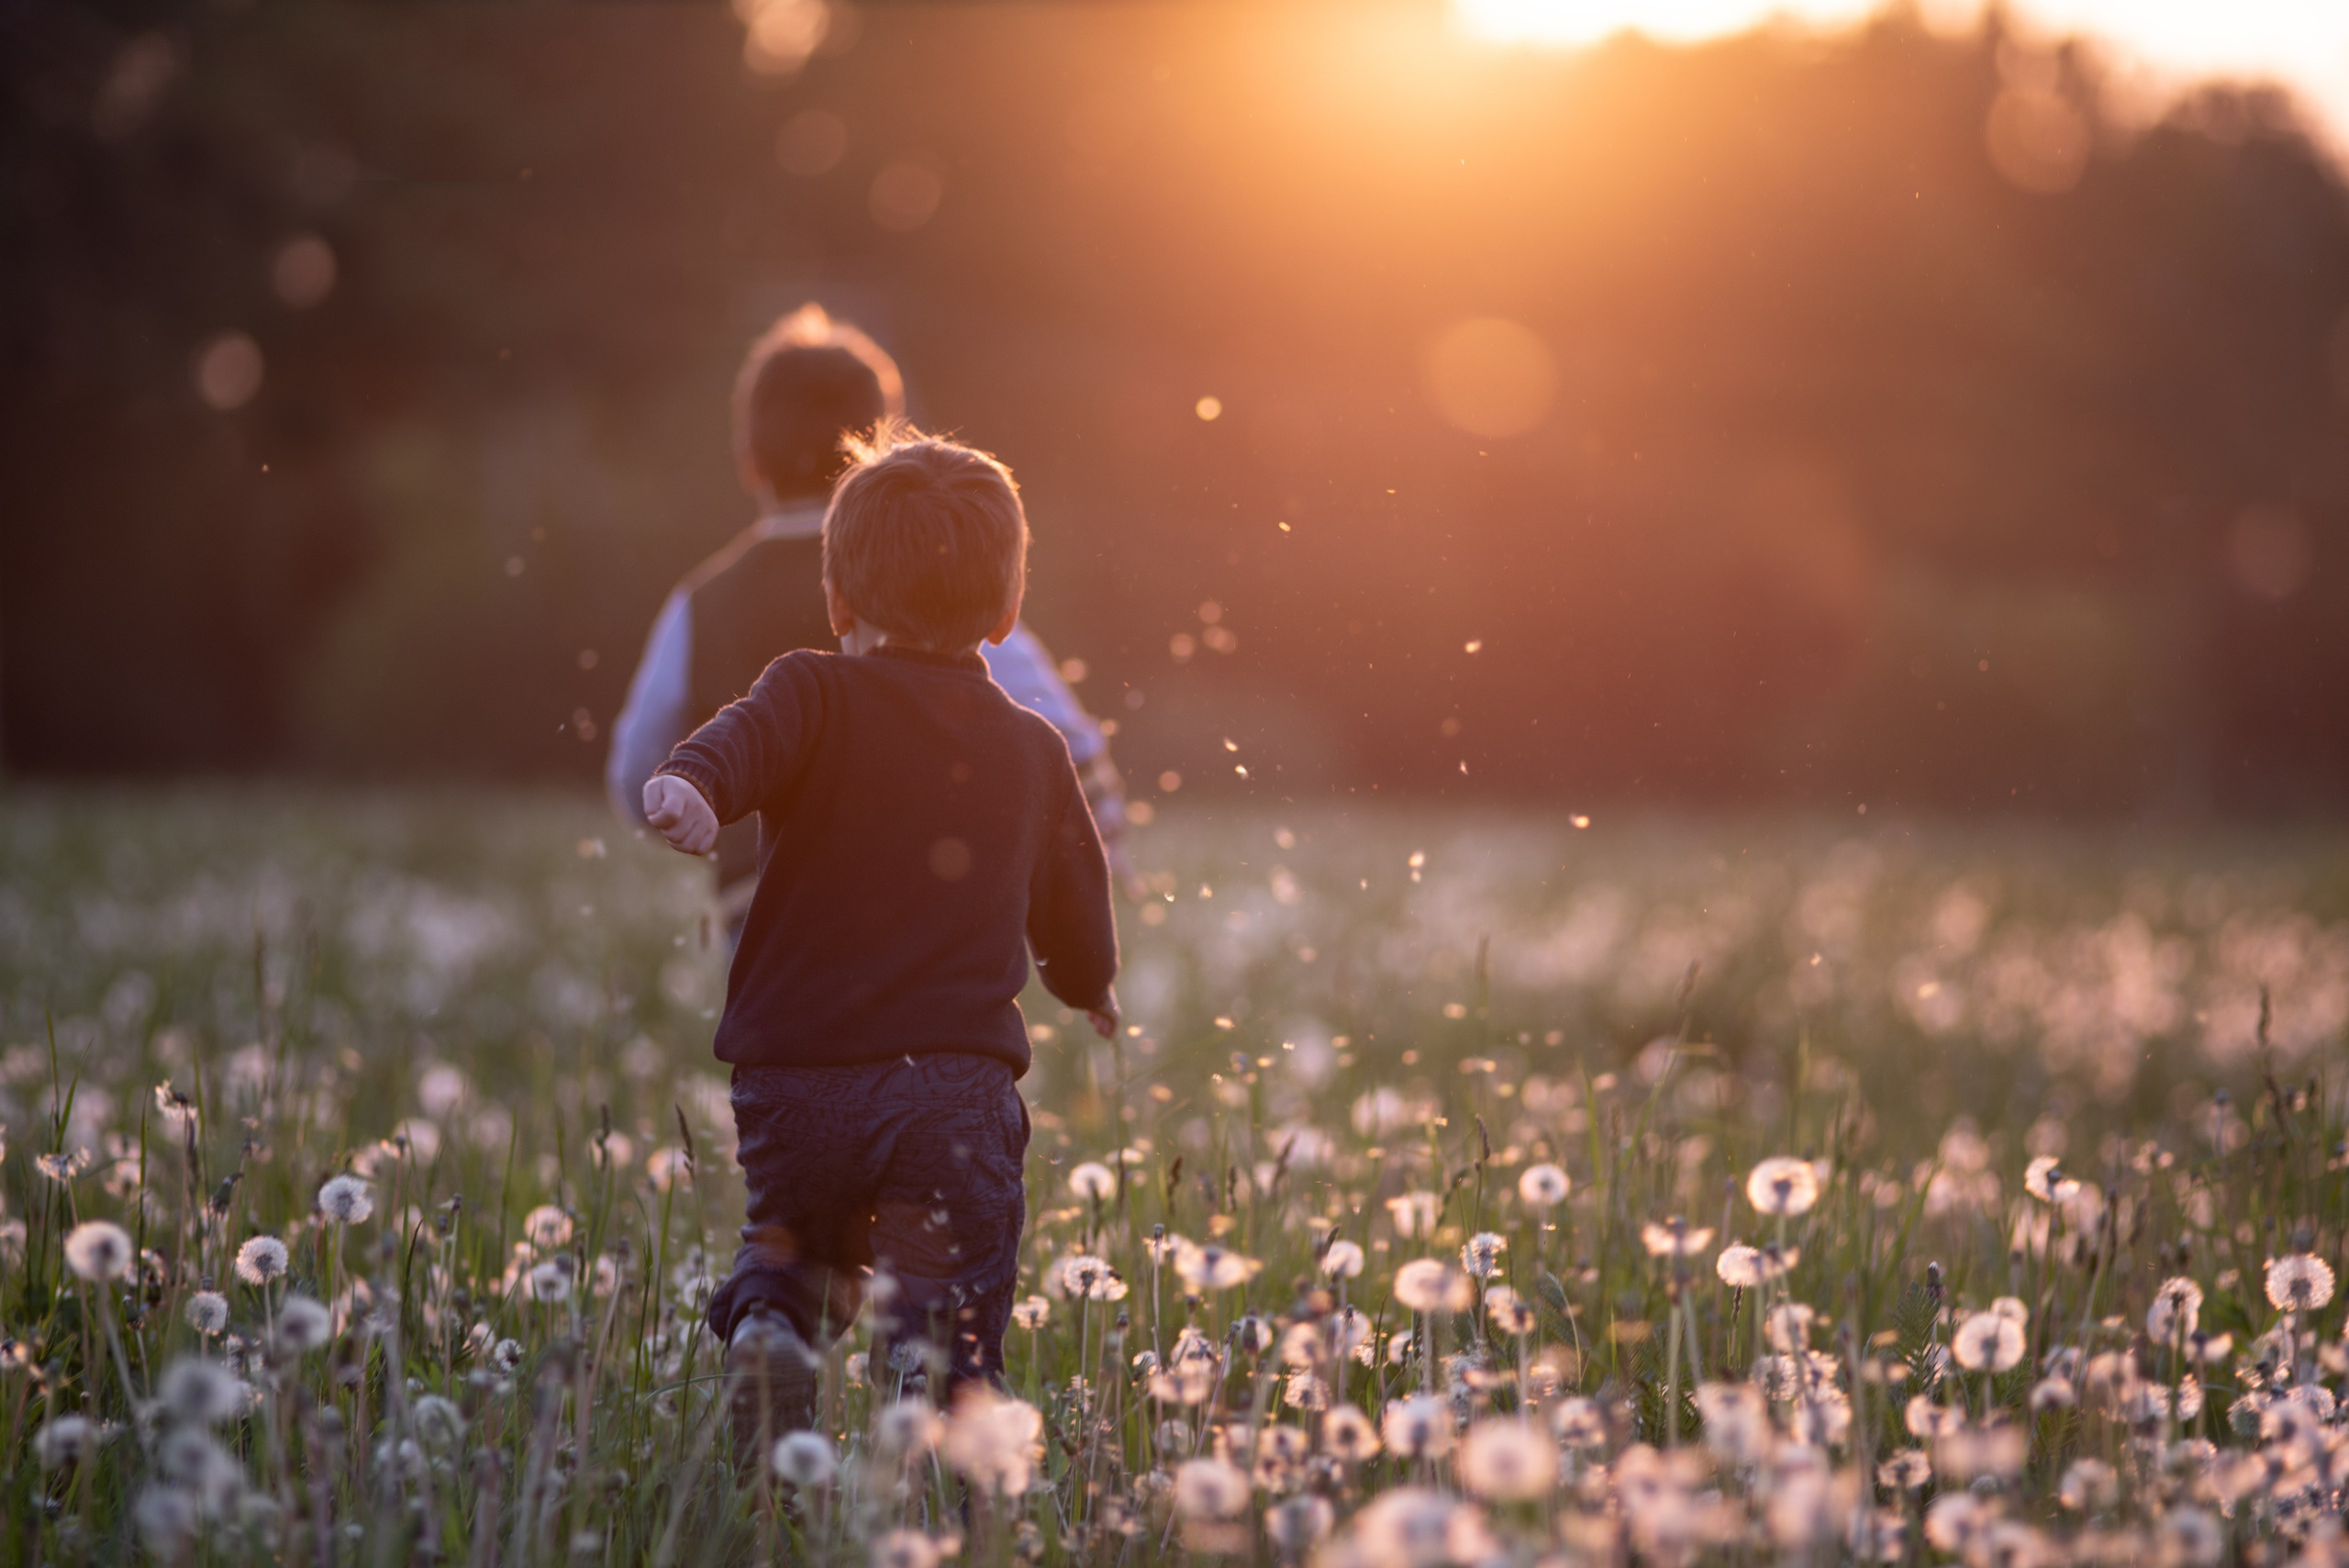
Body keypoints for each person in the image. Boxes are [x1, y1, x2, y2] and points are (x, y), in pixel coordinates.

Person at [640, 426, 1119, 1459]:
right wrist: (1090, 983)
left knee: (796, 1243)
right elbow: (1076, 895)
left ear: (839, 600)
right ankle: (925, 1372)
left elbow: (739, 740)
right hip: (948, 1090)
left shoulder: (808, 690)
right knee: (946, 1288)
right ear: (1004, 610)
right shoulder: (1033, 748)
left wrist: (691, 784)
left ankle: (771, 1322)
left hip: (794, 1077)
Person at [607, 306, 1131, 932]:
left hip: (763, 906)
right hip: (923, 898)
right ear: (884, 454)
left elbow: (637, 769)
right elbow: (1061, 731)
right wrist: (1102, 853)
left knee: (768, 1031)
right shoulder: (935, 566)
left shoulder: (700, 602)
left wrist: (691, 809)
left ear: (750, 460)